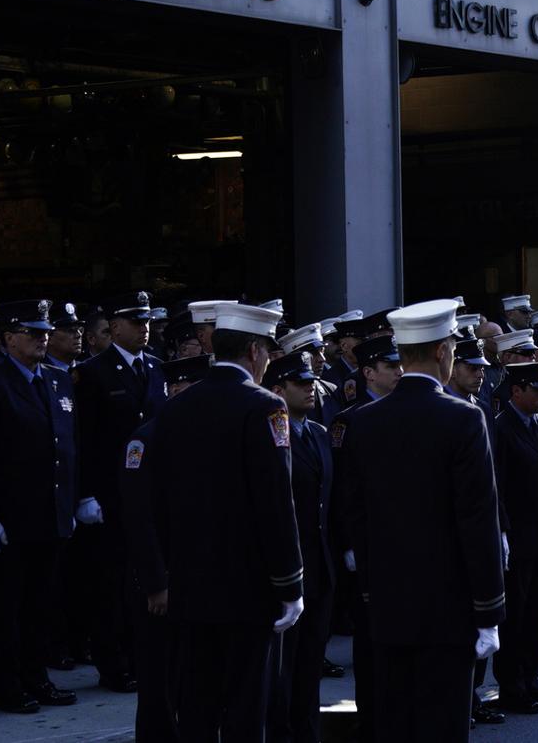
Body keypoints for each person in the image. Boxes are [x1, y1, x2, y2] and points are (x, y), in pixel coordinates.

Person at [342, 299, 504, 742]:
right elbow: (477, 518)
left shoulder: (365, 421)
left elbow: (357, 513)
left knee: (396, 720)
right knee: (442, 724)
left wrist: (372, 585)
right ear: (440, 352)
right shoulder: (464, 418)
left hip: (389, 600)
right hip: (448, 605)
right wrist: (489, 607)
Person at [149, 301, 304, 739]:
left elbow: (160, 499)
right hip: (248, 589)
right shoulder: (265, 407)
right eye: (269, 353)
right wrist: (290, 583)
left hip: (191, 583)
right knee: (245, 707)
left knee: (196, 704)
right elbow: (276, 503)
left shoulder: (177, 407)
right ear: (255, 352)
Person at [0, 300, 80, 715]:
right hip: (13, 518)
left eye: (44, 332)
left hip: (50, 513)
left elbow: (68, 446)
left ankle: (37, 677)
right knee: (9, 609)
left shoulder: (57, 380)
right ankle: (7, 687)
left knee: (42, 604)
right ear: (9, 338)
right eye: (32, 332)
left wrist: (72, 500)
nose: (42, 338)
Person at [73, 290, 167, 694]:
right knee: (109, 584)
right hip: (110, 495)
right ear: (113, 328)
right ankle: (112, 663)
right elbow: (84, 440)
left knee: (144, 577)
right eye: (135, 322)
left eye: (146, 322)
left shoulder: (158, 369)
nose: (144, 329)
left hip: (150, 494)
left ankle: (140, 656)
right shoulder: (93, 372)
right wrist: (87, 494)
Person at [119, 352, 209, 741]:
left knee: (194, 678)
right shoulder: (146, 439)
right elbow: (139, 519)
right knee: (159, 681)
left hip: (199, 579)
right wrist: (156, 582)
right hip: (162, 580)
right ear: (174, 390)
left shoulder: (206, 437)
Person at [328, 332, 403, 741]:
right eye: (390, 366)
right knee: (372, 637)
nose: (398, 371)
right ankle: (372, 718)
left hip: (401, 543)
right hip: (368, 542)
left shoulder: (403, 412)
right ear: (369, 372)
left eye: (399, 365)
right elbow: (344, 491)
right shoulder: (350, 419)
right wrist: (351, 545)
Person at [263, 352, 336, 743]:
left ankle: (307, 733)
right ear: (278, 390)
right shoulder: (272, 436)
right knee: (282, 668)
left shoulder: (321, 434)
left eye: (311, 382)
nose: (311, 388)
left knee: (310, 663)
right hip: (287, 569)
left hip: (320, 566)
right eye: (300, 383)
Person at [491, 362, 538, 715]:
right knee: (516, 618)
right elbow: (498, 489)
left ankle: (533, 682)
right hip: (517, 541)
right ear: (516, 391)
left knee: (537, 618)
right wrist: (503, 533)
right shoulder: (500, 429)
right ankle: (512, 686)